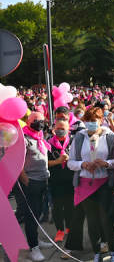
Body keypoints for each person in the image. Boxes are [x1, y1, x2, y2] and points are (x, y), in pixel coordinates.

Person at [68, 107, 114, 262]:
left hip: (104, 183)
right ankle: (96, 253)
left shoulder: (110, 137)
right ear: (84, 121)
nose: (91, 123)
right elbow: (71, 162)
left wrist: (107, 163)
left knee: (105, 220)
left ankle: (113, 252)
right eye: (88, 120)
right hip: (84, 184)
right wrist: (82, 164)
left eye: (94, 120)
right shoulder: (78, 138)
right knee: (92, 221)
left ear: (101, 120)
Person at [19, 112, 55, 261]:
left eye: (42, 120)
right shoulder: (23, 139)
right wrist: (26, 181)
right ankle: (33, 247)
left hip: (42, 180)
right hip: (31, 181)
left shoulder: (40, 137)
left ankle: (35, 240)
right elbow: (18, 163)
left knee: (38, 212)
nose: (40, 123)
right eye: (36, 120)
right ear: (28, 122)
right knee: (31, 215)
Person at [47, 120, 75, 243]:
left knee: (70, 205)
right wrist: (58, 161)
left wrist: (70, 160)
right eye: (58, 127)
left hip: (70, 179)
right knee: (57, 206)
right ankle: (60, 230)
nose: (60, 130)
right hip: (55, 180)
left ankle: (69, 227)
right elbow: (45, 163)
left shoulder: (73, 142)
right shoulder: (48, 143)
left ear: (68, 129)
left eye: (63, 127)